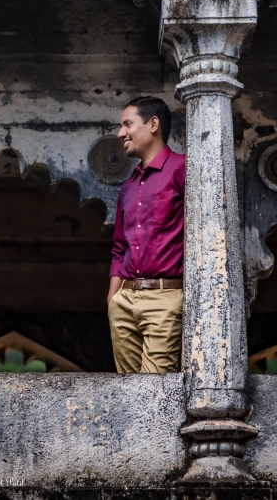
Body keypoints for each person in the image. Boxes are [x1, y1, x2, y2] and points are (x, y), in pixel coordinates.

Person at [106, 96, 185, 374]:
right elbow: (119, 248)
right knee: (128, 390)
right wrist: (113, 299)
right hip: (124, 301)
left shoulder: (182, 168)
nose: (121, 133)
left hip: (165, 298)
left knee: (156, 389)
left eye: (128, 124)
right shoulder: (128, 186)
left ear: (153, 124)